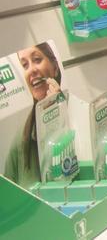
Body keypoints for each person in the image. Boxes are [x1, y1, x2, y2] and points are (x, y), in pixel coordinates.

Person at [4, 43, 63, 188]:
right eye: (25, 65)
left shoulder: (76, 116)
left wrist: (56, 114)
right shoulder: (21, 139)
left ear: (55, 68)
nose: (31, 70)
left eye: (37, 60)